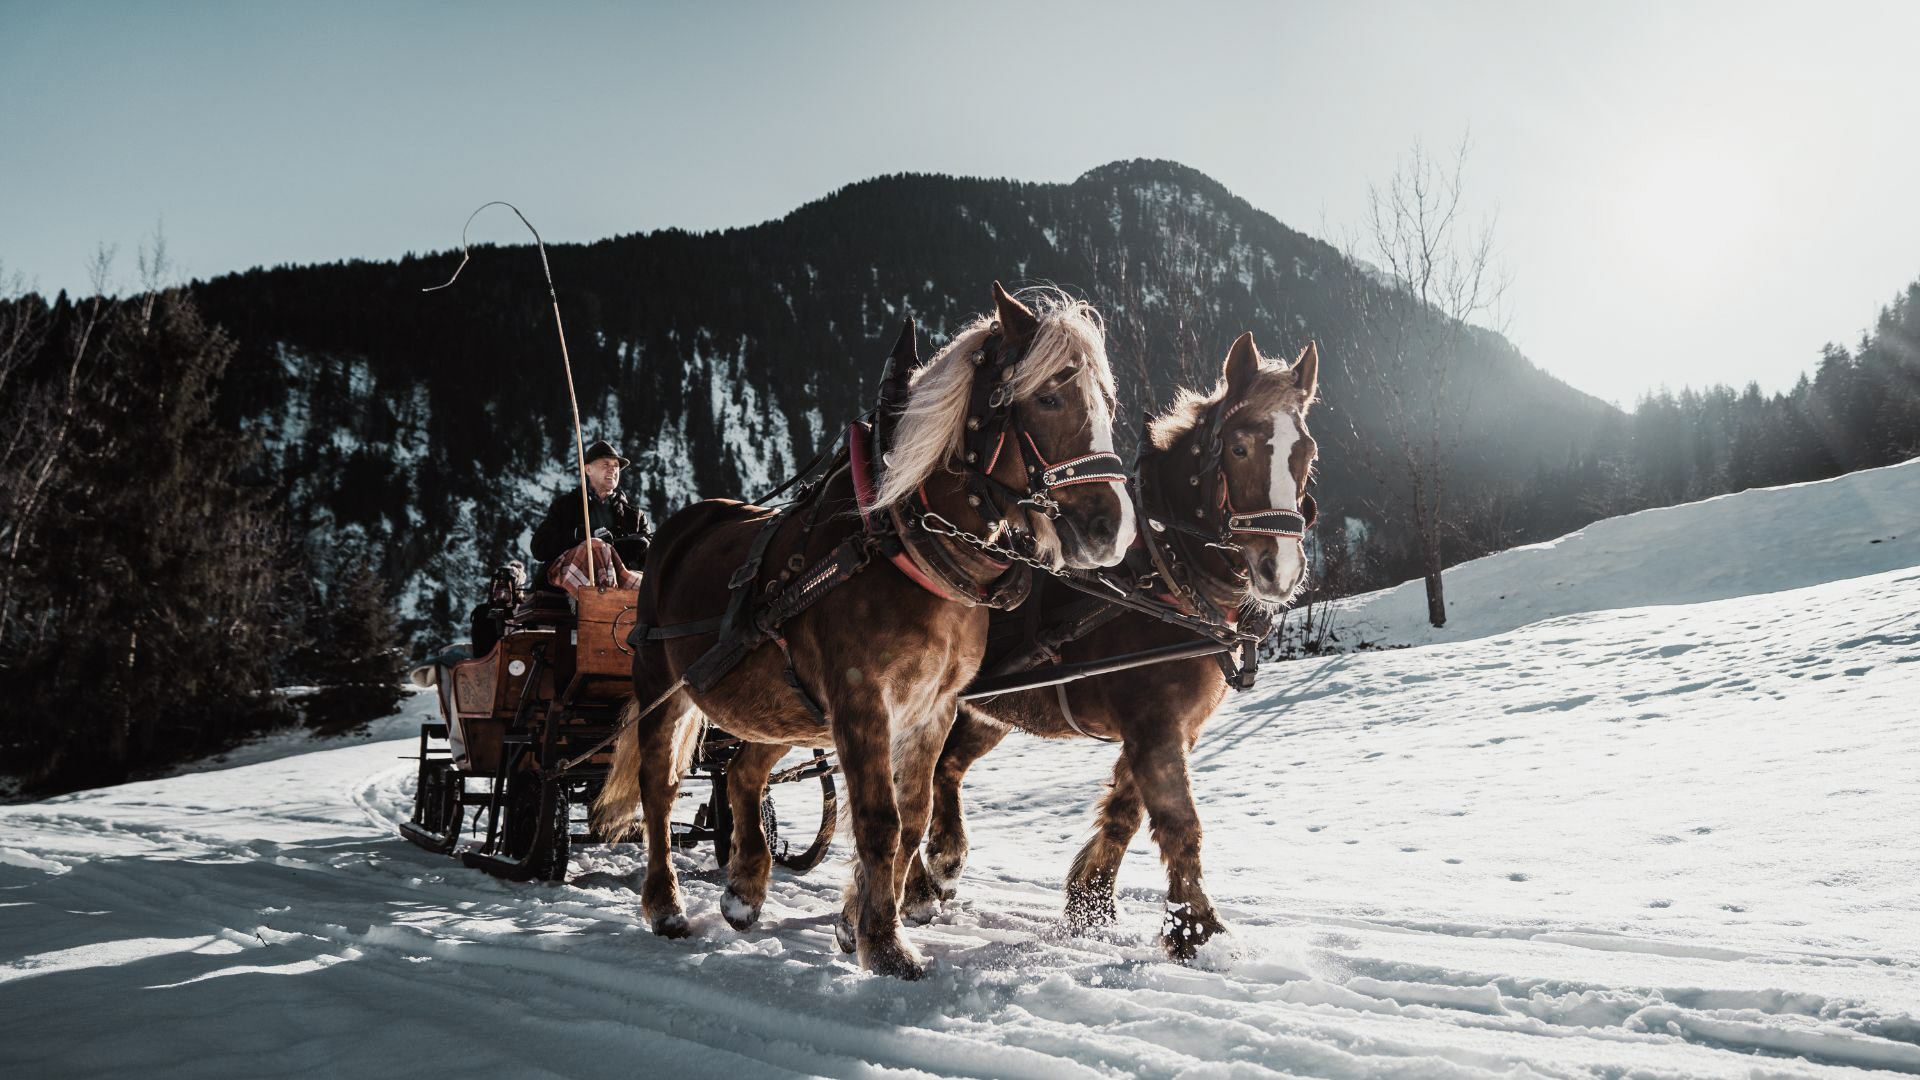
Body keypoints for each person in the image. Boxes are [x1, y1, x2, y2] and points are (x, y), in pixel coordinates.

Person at [530, 439, 650, 596]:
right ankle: (587, 598)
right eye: (606, 464)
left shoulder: (634, 515)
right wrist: (577, 536)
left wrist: (641, 546)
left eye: (616, 466)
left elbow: (653, 560)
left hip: (620, 581)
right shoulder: (565, 506)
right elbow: (539, 548)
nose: (613, 470)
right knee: (595, 546)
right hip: (568, 580)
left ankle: (606, 599)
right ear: (588, 469)